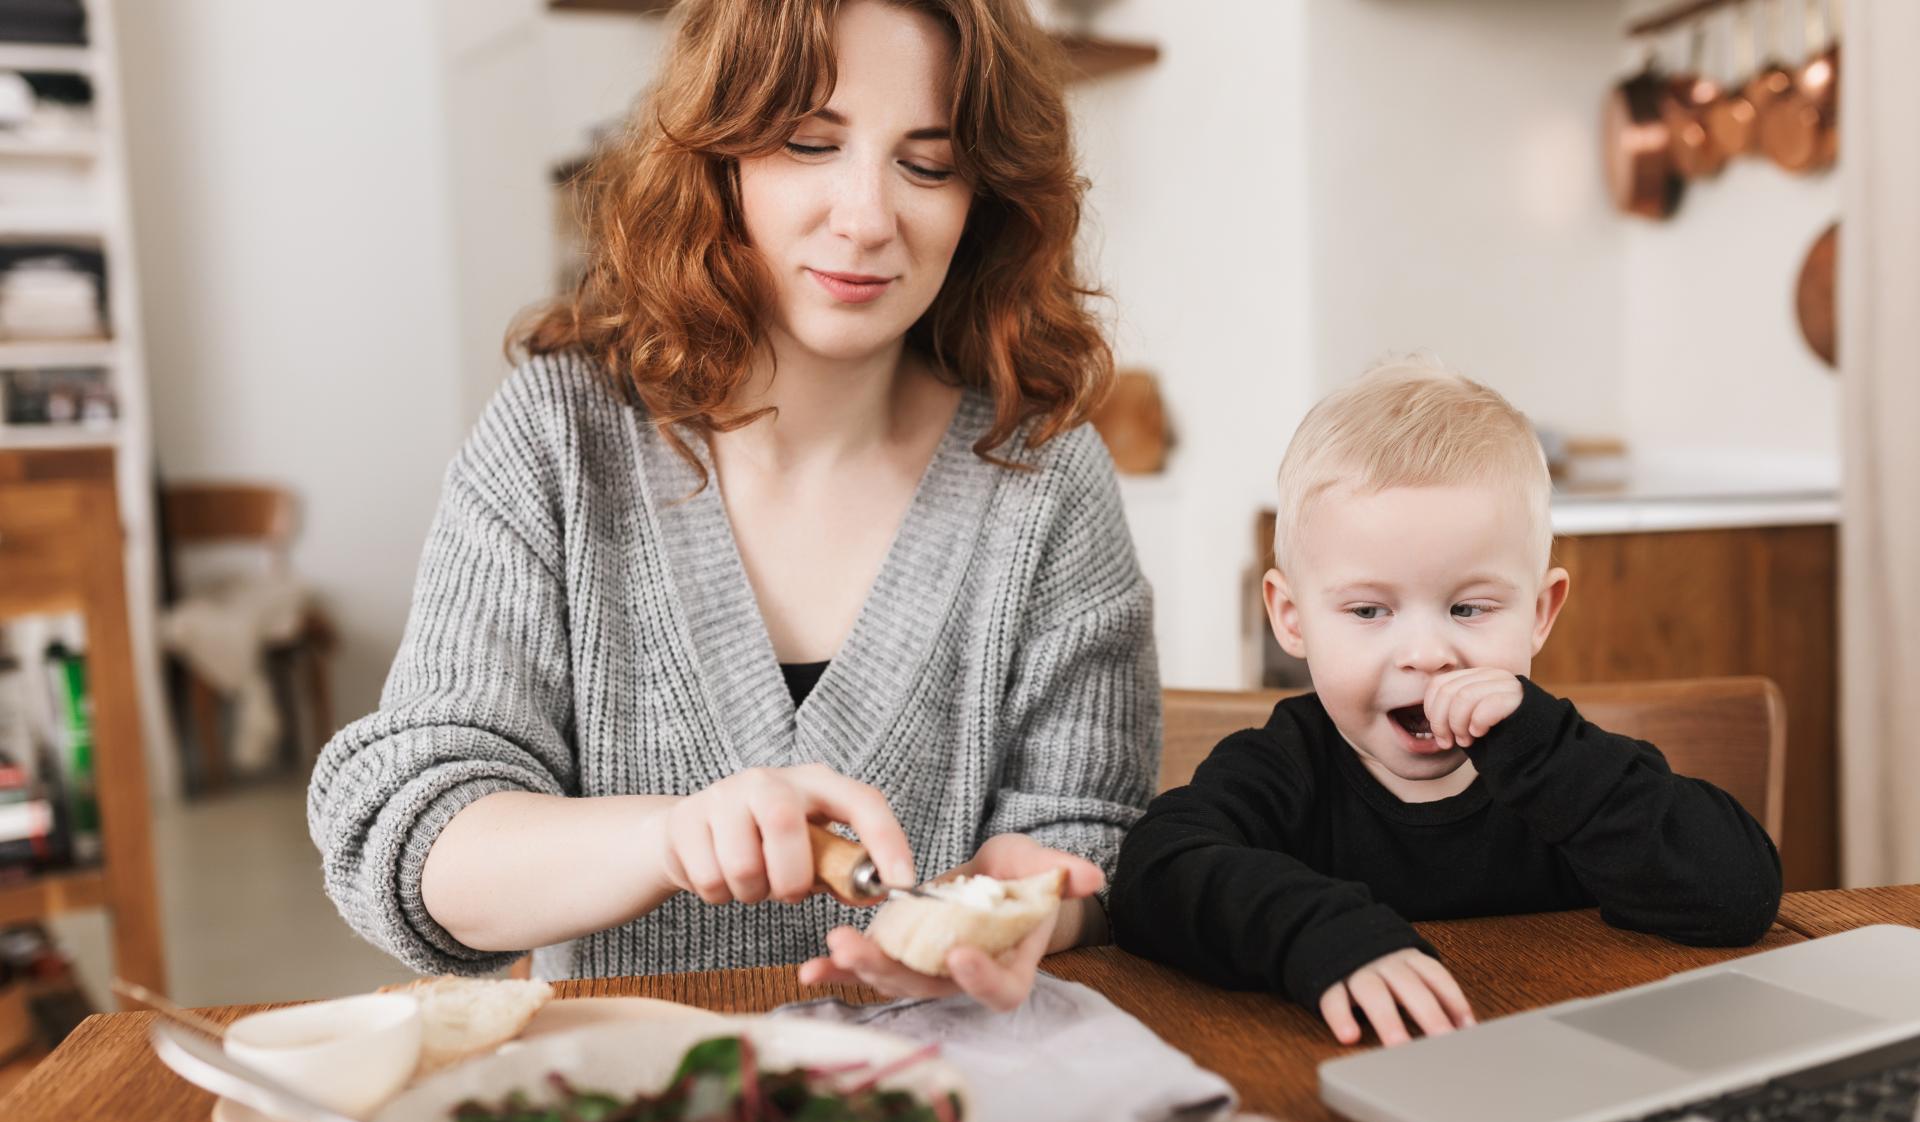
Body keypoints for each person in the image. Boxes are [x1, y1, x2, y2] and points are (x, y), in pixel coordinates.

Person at [307, 0, 1159, 1011]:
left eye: (926, 165)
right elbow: (409, 838)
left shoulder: (1046, 478)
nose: (865, 217)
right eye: (809, 143)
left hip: (945, 1117)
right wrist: (665, 836)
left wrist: (1026, 907)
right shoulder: (559, 439)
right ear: (721, 156)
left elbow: (1084, 836)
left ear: (986, 197)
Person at [1108, 356, 1781, 1045]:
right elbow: (1153, 871)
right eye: (1370, 611)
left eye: (1468, 607)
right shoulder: (1284, 765)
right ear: (1293, 617)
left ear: (1541, 612)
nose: (1427, 653)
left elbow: (1741, 893)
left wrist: (1547, 752)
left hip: (1552, 1064)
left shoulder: (1564, 768)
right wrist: (1321, 934)